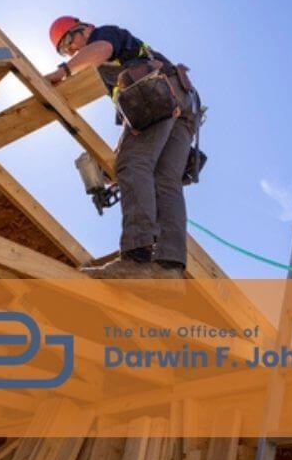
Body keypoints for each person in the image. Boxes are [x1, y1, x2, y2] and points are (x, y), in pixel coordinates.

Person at [44, 16, 199, 280]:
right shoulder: (118, 67)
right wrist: (117, 159)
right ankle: (169, 271)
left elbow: (101, 49)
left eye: (70, 40)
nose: (71, 50)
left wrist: (62, 71)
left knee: (134, 164)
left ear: (85, 28)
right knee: (165, 181)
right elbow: (133, 123)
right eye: (63, 50)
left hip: (159, 93)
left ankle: (136, 258)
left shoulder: (104, 35)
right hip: (184, 103)